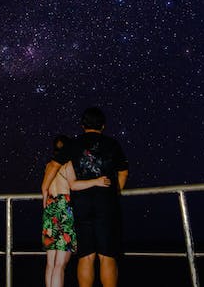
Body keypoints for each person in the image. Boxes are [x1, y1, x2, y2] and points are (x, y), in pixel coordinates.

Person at [53, 107, 129, 287]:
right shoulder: (112, 144)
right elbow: (123, 172)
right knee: (107, 255)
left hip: (81, 204)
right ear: (103, 125)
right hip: (106, 203)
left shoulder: (73, 144)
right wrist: (115, 192)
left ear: (82, 125)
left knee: (86, 256)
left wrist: (44, 188)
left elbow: (53, 165)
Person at [42, 134, 110, 287]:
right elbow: (73, 185)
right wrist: (96, 181)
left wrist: (46, 207)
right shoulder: (68, 164)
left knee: (51, 263)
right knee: (60, 264)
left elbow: (44, 190)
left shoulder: (48, 166)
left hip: (50, 207)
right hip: (64, 208)